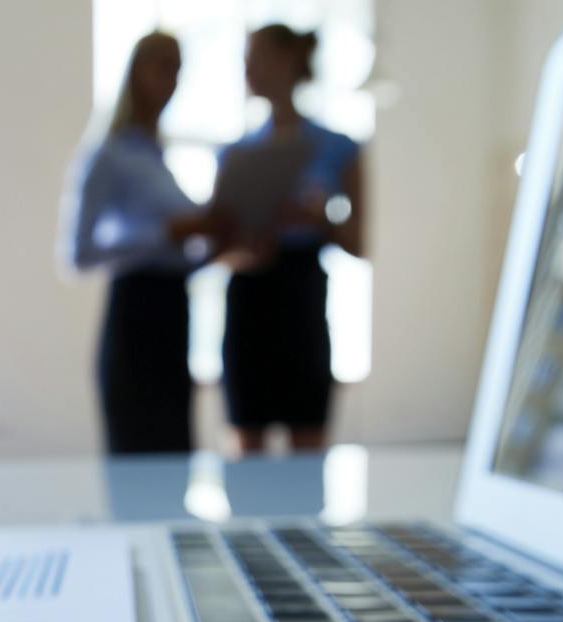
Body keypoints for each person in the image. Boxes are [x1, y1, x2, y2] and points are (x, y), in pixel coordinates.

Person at [64, 31, 219, 455]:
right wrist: (164, 234)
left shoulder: (158, 159)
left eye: (178, 69)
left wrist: (216, 244)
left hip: (173, 316)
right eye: (162, 66)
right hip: (134, 317)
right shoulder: (109, 154)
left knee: (174, 454)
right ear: (135, 71)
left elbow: (178, 258)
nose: (170, 80)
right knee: (136, 455)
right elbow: (76, 255)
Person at [219, 24, 365, 454]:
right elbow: (217, 249)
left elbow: (359, 243)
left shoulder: (339, 147)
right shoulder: (235, 153)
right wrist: (246, 247)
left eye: (255, 55)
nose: (247, 67)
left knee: (308, 442)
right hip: (249, 297)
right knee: (247, 446)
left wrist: (320, 218)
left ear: (286, 61)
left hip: (302, 296)